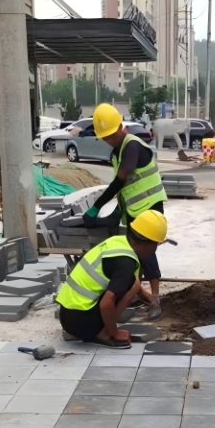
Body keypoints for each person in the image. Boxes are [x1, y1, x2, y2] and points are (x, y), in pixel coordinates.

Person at [82, 103, 167, 320]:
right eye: (106, 137)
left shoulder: (132, 146)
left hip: (150, 209)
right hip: (134, 210)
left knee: (147, 253)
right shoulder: (116, 152)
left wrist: (96, 206)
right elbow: (128, 188)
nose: (110, 140)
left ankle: (155, 301)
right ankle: (138, 294)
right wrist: (118, 212)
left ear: (121, 127)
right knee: (133, 255)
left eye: (112, 135)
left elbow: (120, 180)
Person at [57, 210, 168, 348]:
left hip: (69, 315)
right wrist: (114, 333)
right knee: (132, 286)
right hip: (82, 322)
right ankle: (103, 334)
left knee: (131, 283)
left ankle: (97, 329)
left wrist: (149, 299)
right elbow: (106, 303)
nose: (154, 249)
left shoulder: (118, 242)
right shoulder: (126, 263)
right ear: (149, 243)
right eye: (156, 244)